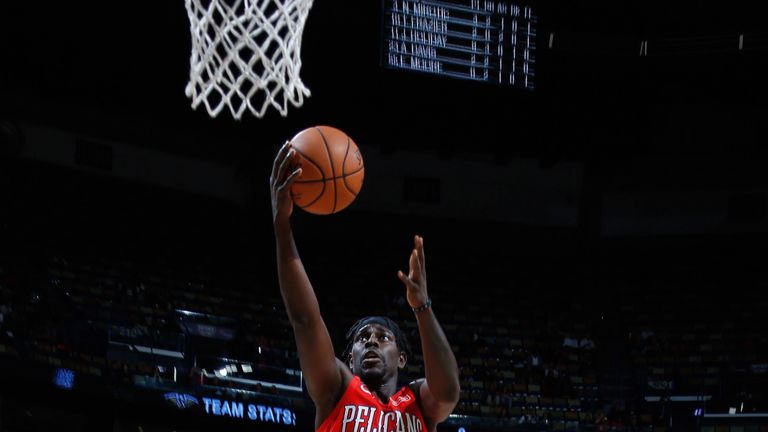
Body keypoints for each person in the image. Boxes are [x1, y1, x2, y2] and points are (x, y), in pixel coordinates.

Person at [269, 141, 460, 432]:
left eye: (383, 338)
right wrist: (281, 223)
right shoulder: (337, 391)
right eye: (362, 338)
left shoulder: (419, 404)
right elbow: (305, 320)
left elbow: (447, 393)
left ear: (402, 359)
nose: (370, 341)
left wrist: (422, 306)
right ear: (350, 359)